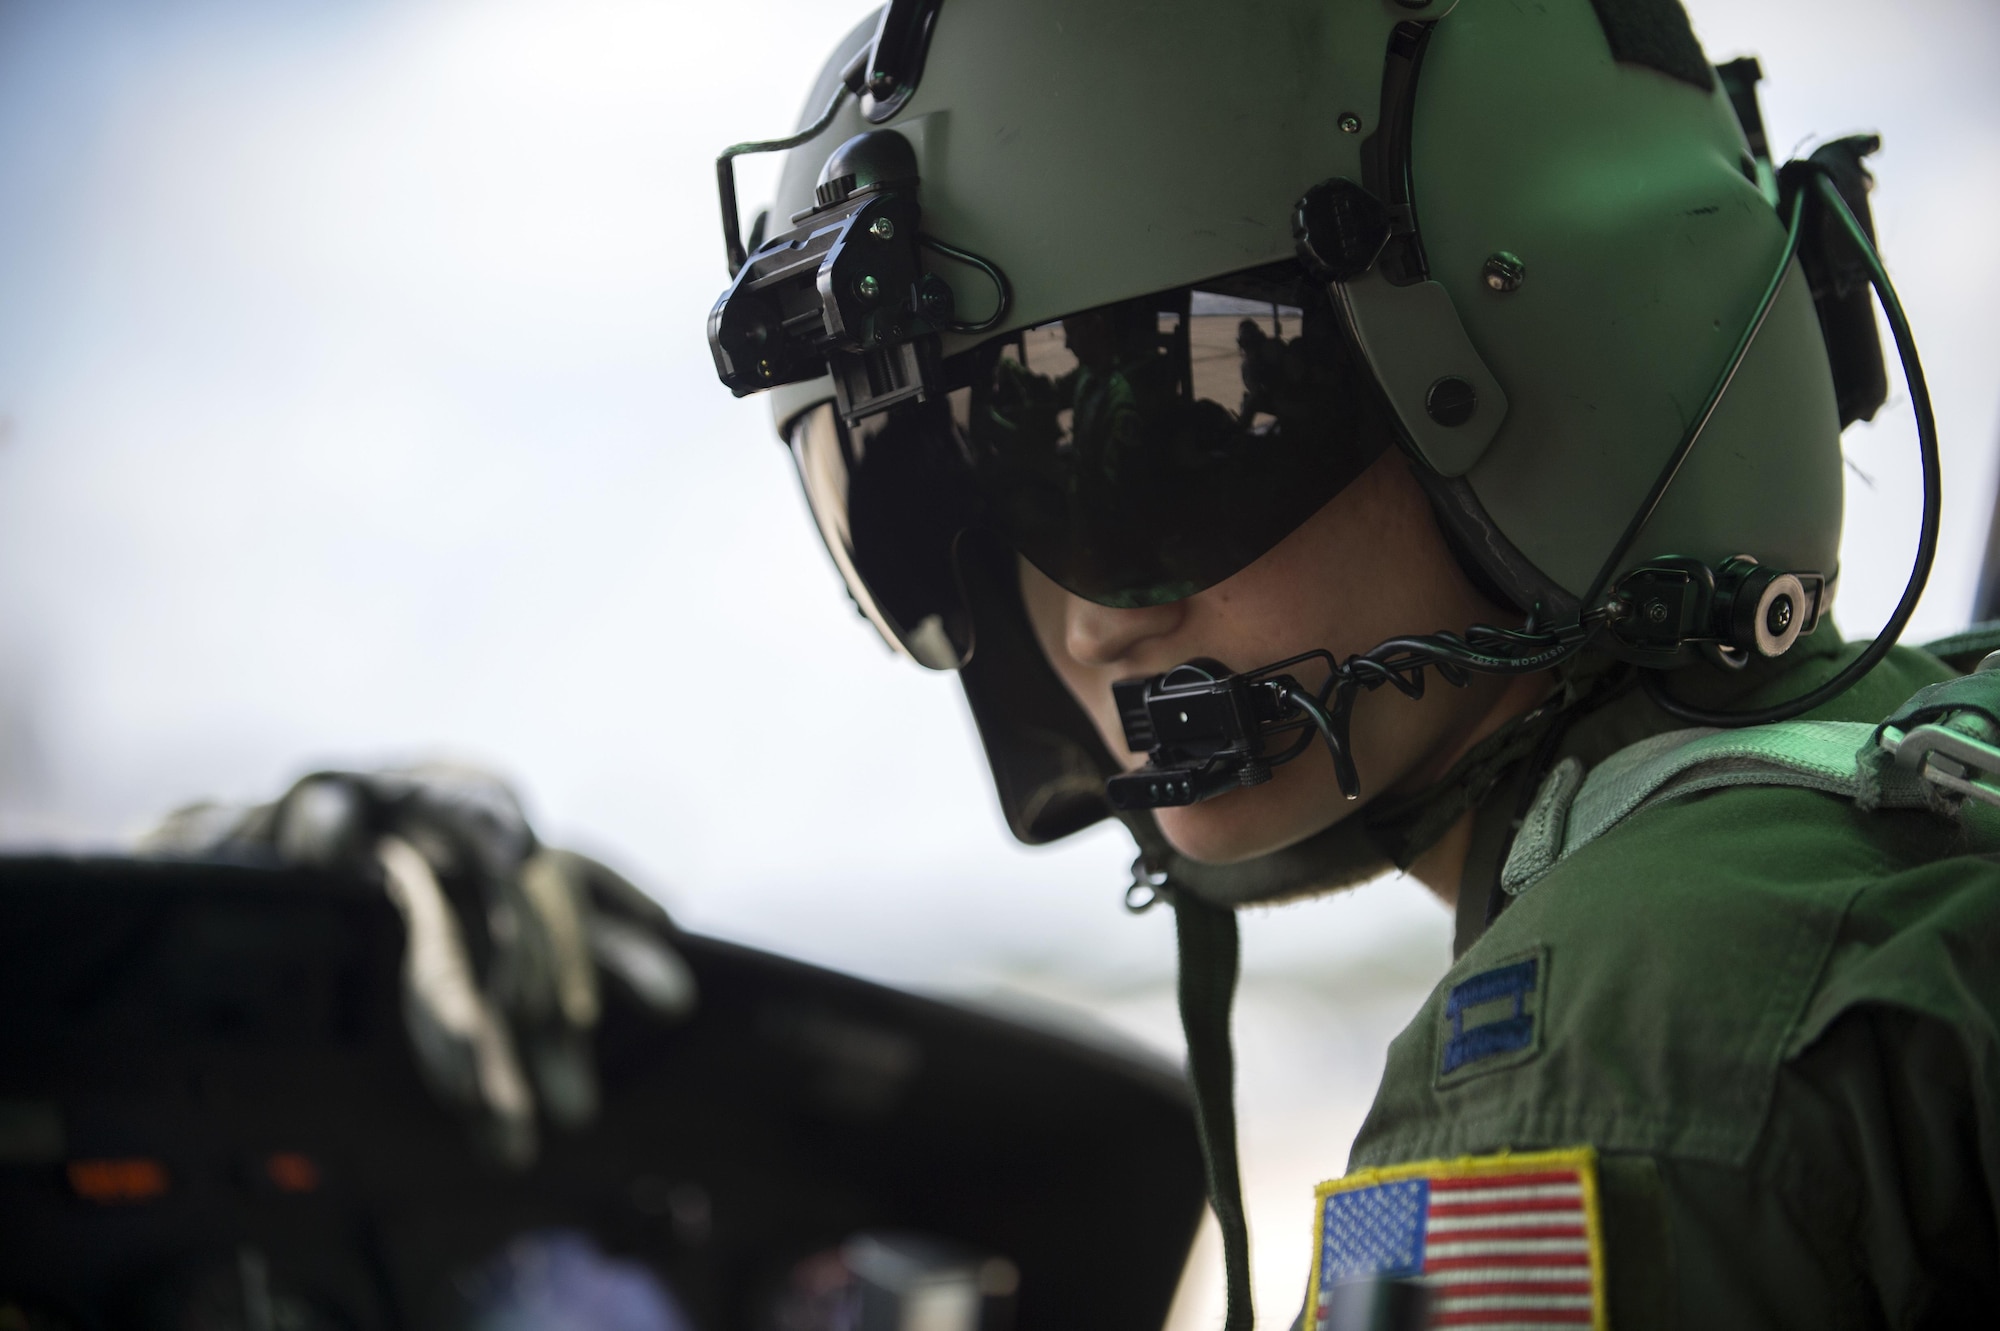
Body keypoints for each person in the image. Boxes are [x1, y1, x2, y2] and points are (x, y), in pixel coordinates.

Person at [706, 0, 2000, 1325]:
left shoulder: (1577, 1066)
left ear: (1544, 335)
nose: (1090, 629)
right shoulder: (1936, 763)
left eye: (1159, 462)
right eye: (955, 520)